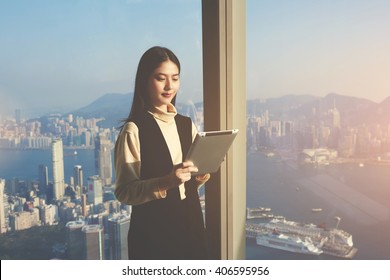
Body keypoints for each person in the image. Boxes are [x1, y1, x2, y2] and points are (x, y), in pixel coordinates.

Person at [114, 46, 211, 260]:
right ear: (144, 81)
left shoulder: (187, 125)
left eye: (175, 78)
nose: (170, 86)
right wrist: (165, 182)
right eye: (161, 78)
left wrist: (199, 176)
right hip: (154, 236)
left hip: (192, 226)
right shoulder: (134, 129)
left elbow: (186, 183)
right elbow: (124, 192)